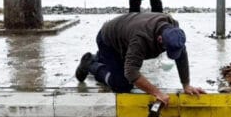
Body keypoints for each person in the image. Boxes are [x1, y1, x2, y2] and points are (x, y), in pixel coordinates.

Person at [75, 12, 205, 106]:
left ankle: (101, 58)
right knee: (122, 85)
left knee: (123, 66)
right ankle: (90, 63)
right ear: (160, 39)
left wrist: (186, 85)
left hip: (125, 39)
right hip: (108, 41)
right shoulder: (141, 39)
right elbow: (131, 72)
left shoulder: (173, 30)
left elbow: (181, 53)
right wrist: (156, 92)